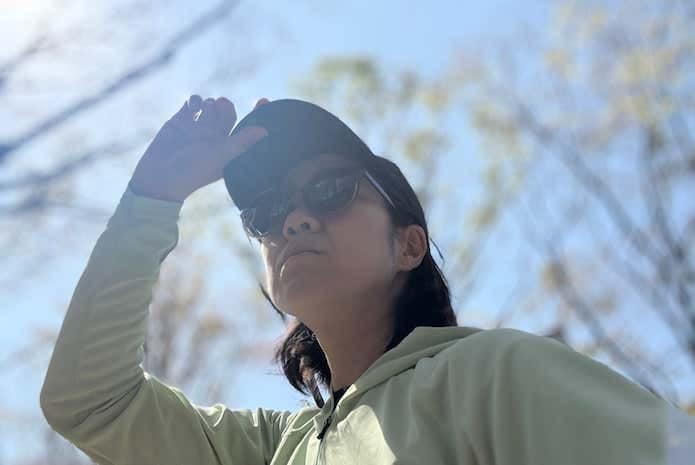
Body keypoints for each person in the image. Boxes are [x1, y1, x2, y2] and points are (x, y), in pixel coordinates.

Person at [39, 95, 688, 464]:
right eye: (267, 213)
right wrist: (152, 199)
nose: (293, 219)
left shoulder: (492, 373)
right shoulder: (267, 451)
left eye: (329, 190)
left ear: (408, 245)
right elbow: (90, 403)